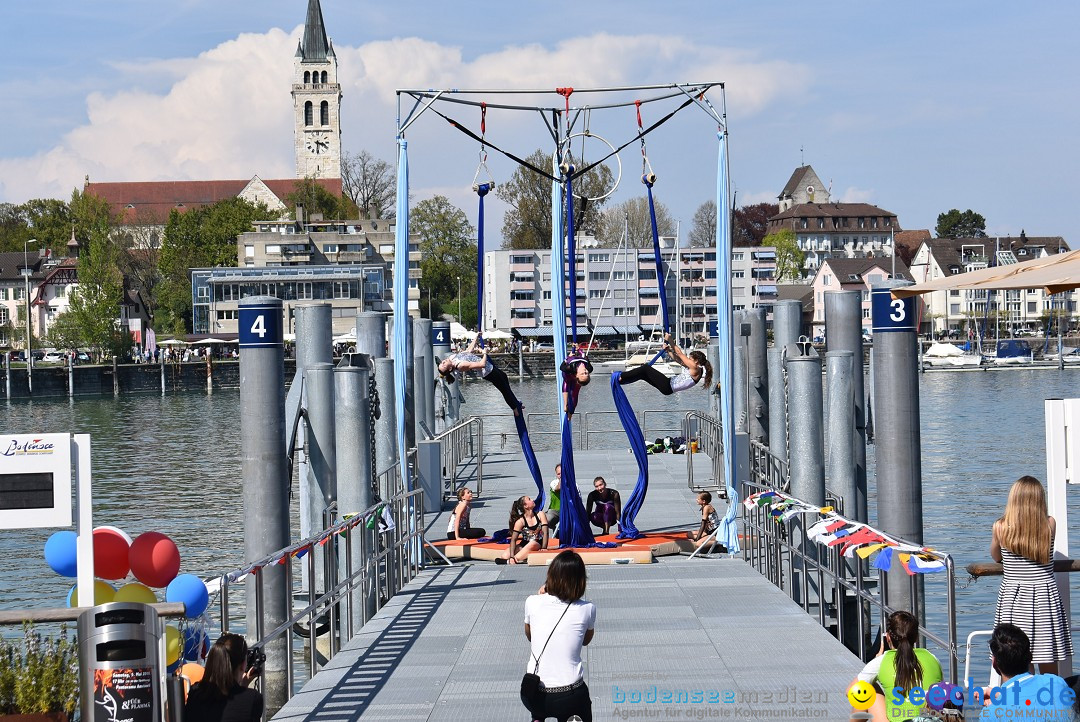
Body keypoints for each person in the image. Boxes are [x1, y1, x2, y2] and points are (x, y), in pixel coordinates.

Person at [991, 475, 1073, 675]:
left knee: (1014, 663)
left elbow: (996, 556)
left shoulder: (1000, 527)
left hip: (1014, 599)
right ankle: (1051, 703)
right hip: (1044, 598)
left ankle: (1016, 703)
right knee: (1048, 661)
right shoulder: (1049, 524)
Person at [522, 550, 595, 722]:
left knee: (538, 712)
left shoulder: (532, 601)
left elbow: (530, 636)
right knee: (580, 703)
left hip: (533, 693)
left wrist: (541, 597)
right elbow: (586, 640)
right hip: (569, 695)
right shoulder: (587, 608)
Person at [852, 610, 942, 722]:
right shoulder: (932, 658)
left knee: (867, 687)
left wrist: (874, 669)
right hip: (929, 719)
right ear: (916, 637)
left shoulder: (881, 661)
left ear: (888, 637)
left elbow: (851, 692)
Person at [981, 623, 1074, 718]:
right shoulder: (1056, 683)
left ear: (994, 663)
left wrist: (997, 703)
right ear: (1030, 657)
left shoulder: (990, 714)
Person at [184, 633, 263, 722]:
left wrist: (243, 685)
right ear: (243, 664)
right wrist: (243, 688)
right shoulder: (252, 698)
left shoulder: (195, 693)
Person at [437, 333, 522, 415]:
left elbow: (468, 350)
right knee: (504, 389)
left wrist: (476, 336)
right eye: (443, 365)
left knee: (504, 377)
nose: (443, 361)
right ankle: (514, 408)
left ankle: (515, 402)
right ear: (450, 369)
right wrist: (484, 353)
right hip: (488, 372)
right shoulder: (461, 366)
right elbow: (482, 365)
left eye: (442, 363)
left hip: (490, 367)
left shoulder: (452, 357)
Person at [617, 333, 712, 396]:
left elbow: (679, 353)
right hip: (667, 385)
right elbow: (678, 360)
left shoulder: (695, 368)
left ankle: (621, 375)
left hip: (667, 385)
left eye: (690, 359)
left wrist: (670, 340)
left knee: (645, 368)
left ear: (696, 361)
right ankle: (622, 381)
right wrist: (669, 351)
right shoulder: (695, 370)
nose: (688, 360)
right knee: (643, 374)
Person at [499, 496, 548, 565]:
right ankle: (514, 559)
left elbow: (545, 532)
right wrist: (511, 555)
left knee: (532, 543)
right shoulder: (520, 521)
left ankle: (515, 560)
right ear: (525, 506)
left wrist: (544, 547)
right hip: (524, 544)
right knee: (504, 555)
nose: (532, 500)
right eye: (529, 499)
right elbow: (513, 539)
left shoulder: (540, 514)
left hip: (537, 543)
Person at [560, 348, 593, 420]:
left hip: (568, 375)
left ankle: (569, 411)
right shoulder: (589, 368)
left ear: (577, 375)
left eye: (582, 374)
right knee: (570, 386)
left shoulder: (571, 367)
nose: (585, 372)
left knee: (574, 391)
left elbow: (562, 367)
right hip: (571, 376)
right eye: (586, 373)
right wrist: (578, 349)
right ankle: (566, 405)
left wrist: (568, 358)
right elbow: (584, 355)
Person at [547, 464, 562, 536]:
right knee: (547, 520)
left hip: (568, 510)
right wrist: (562, 480)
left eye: (563, 473)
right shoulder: (554, 483)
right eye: (559, 474)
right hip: (555, 511)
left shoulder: (574, 484)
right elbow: (557, 488)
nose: (561, 475)